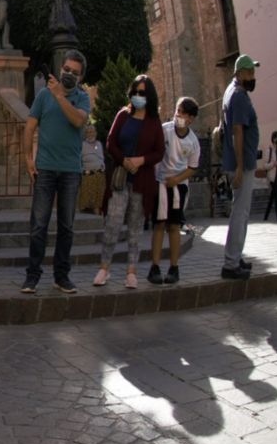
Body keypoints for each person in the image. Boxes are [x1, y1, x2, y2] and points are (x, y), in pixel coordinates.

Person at [21, 50, 91, 295]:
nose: (69, 74)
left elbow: (78, 121)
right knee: (39, 225)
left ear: (81, 77)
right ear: (61, 69)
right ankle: (32, 276)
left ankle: (61, 277)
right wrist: (28, 158)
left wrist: (60, 96)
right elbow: (30, 126)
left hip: (71, 170)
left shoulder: (82, 98)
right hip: (46, 168)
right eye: (66, 69)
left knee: (66, 226)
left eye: (75, 72)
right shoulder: (43, 95)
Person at [95, 75, 165, 290]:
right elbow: (110, 142)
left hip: (142, 182)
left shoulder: (154, 121)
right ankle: (104, 268)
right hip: (120, 179)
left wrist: (141, 160)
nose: (137, 96)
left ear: (149, 95)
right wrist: (124, 160)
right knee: (112, 224)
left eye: (142, 92)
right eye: (134, 92)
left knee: (135, 228)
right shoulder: (123, 115)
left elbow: (159, 151)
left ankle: (131, 272)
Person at [149, 98, 201, 284]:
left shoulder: (193, 142)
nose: (178, 115)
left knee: (174, 226)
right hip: (160, 183)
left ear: (191, 118)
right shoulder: (165, 130)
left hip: (178, 186)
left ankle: (174, 267)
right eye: (178, 110)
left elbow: (192, 167)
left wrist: (177, 180)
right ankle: (155, 267)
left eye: (183, 112)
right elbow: (154, 151)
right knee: (159, 224)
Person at [220, 54, 261, 280]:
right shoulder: (238, 96)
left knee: (241, 212)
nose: (253, 76)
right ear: (240, 73)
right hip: (241, 164)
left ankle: (236, 255)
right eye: (250, 72)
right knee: (240, 213)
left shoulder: (231, 91)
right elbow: (237, 131)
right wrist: (239, 167)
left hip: (238, 162)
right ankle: (231, 263)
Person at [79, 123, 106, 213]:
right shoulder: (82, 144)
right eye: (88, 132)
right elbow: (78, 160)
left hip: (99, 173)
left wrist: (103, 167)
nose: (91, 134)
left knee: (99, 196)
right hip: (88, 174)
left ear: (96, 133)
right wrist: (83, 171)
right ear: (85, 134)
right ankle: (83, 213)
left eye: (92, 131)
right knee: (85, 198)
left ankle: (97, 213)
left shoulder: (99, 144)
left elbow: (101, 157)